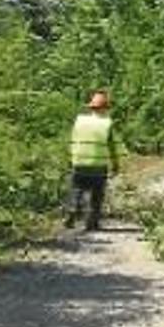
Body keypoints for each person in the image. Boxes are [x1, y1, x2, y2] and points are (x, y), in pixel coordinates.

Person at [66, 90, 120, 230]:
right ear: (105, 108)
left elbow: (73, 141)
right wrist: (116, 165)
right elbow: (112, 147)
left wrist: (71, 159)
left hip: (79, 163)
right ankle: (92, 222)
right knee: (96, 195)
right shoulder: (107, 123)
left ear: (91, 107)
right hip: (98, 166)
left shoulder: (79, 121)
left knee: (77, 189)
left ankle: (72, 210)